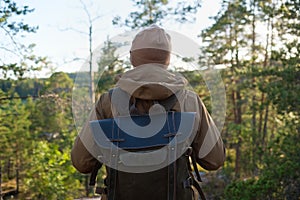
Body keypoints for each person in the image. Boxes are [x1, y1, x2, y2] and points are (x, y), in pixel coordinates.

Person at [71, 25, 226, 199]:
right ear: (167, 59)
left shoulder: (108, 102)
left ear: (132, 58)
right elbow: (214, 160)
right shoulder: (189, 101)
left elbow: (81, 162)